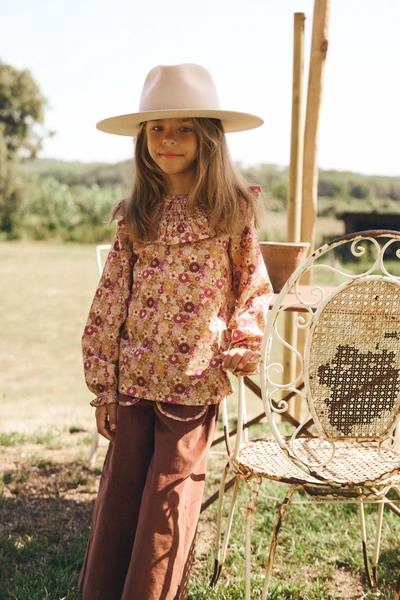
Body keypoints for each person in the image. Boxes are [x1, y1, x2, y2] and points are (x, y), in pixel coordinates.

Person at [79, 63, 272, 600]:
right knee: (121, 496)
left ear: (207, 137)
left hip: (193, 379)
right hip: (134, 377)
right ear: (143, 139)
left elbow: (252, 287)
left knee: (170, 499)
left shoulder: (232, 212)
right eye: (158, 128)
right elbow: (111, 299)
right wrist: (104, 384)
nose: (169, 139)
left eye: (183, 127)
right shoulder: (136, 214)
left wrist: (244, 338)